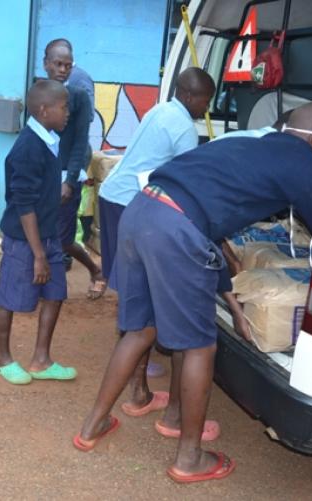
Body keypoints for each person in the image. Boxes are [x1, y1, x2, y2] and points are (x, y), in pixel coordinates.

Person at [74, 102, 312, 484]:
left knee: (140, 330)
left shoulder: (249, 143)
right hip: (175, 229)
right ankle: (189, 458)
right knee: (199, 345)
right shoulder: (305, 162)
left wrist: (229, 296)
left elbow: (207, 210)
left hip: (141, 212)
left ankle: (93, 426)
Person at [96, 67, 222, 412]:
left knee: (132, 290)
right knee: (144, 294)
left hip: (114, 196)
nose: (206, 108)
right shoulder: (183, 126)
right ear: (188, 96)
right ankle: (138, 383)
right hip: (132, 203)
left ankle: (138, 366)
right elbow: (187, 184)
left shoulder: (160, 109)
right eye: (205, 101)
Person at [0, 79, 77, 385]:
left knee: (55, 294)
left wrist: (57, 192)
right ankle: (3, 358)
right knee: (10, 297)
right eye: (64, 106)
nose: (68, 112)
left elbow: (38, 191)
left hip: (48, 235)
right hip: (24, 241)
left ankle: (41, 360)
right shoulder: (29, 146)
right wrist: (38, 254)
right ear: (44, 110)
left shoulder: (48, 138)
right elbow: (23, 202)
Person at [43, 40, 106, 300]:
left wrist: (70, 180)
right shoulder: (39, 91)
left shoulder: (78, 95)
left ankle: (95, 269)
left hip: (68, 176)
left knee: (63, 239)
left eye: (68, 65)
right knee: (44, 232)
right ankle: (45, 284)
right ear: (46, 63)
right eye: (58, 64)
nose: (63, 70)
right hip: (44, 176)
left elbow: (81, 140)